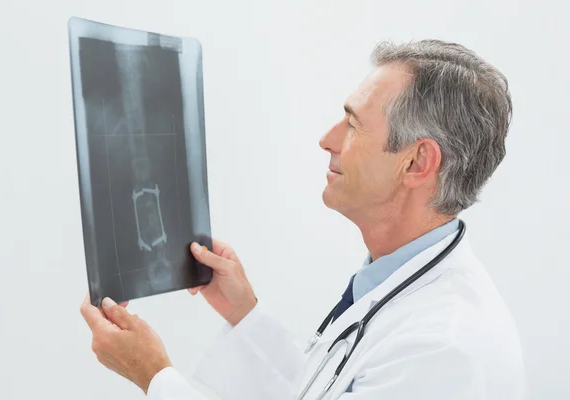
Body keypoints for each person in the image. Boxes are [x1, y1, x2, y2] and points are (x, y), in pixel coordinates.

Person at [80, 39, 526, 399]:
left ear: (416, 163)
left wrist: (154, 377)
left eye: (353, 125)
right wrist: (243, 312)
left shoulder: (442, 351)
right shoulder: (394, 285)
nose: (326, 139)